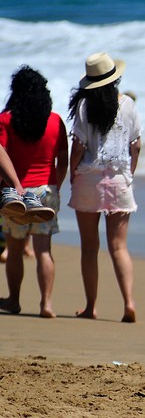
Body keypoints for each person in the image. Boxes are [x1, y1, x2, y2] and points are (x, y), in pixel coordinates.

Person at [67, 52, 142, 323]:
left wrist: (72, 173)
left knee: (89, 247)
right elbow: (136, 145)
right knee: (119, 247)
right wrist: (129, 174)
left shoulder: (84, 107)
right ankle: (129, 303)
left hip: (89, 179)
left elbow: (77, 146)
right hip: (120, 180)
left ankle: (91, 306)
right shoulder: (129, 104)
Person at [0, 65, 68, 318]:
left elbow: (1, 155)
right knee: (43, 250)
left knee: (15, 249)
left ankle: (14, 300)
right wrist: (55, 186)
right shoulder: (55, 121)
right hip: (46, 191)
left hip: (14, 194)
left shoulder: (6, 120)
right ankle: (46, 304)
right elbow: (63, 160)